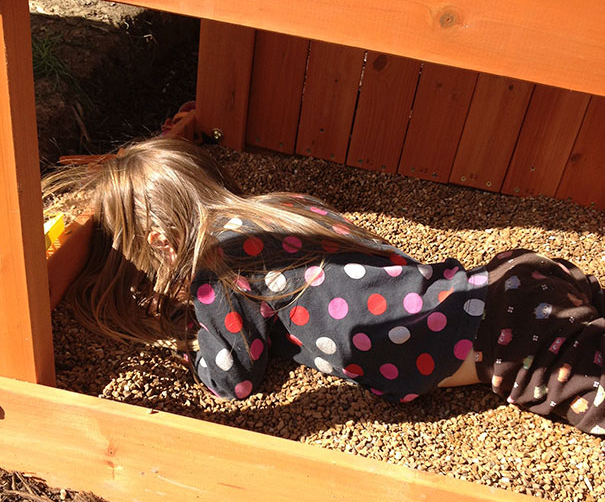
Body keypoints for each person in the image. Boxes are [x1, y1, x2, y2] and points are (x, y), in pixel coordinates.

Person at [43, 136, 605, 436]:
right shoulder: (279, 209)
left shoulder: (218, 269)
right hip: (512, 278)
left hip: (510, 337)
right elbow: (309, 288)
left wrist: (197, 337)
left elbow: (232, 380)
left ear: (162, 242)